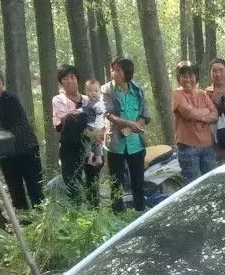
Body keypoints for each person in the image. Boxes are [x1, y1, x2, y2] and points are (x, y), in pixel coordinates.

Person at [0, 65, 44, 211]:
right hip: (7, 153)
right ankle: (24, 223)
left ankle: (42, 223)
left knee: (35, 190)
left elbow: (12, 124)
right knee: (16, 192)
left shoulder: (9, 99)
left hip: (26, 150)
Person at [104, 56, 151, 212]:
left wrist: (134, 126)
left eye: (118, 70)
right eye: (113, 70)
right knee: (116, 183)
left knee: (138, 181)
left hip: (136, 143)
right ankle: (117, 215)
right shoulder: (107, 90)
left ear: (127, 73)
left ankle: (140, 212)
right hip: (115, 144)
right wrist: (127, 124)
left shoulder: (138, 90)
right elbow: (108, 114)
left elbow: (145, 115)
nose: (114, 73)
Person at [52, 65, 96, 201]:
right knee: (72, 183)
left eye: (72, 77)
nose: (69, 81)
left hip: (89, 143)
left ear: (77, 80)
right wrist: (81, 115)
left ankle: (95, 210)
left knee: (92, 181)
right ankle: (75, 214)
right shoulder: (59, 99)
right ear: (61, 83)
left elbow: (96, 121)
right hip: (69, 146)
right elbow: (65, 120)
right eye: (65, 79)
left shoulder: (87, 99)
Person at [172, 62, 219, 183]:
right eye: (184, 76)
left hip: (208, 146)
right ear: (179, 78)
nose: (188, 79)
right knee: (192, 185)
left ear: (196, 77)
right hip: (188, 147)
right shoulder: (177, 94)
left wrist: (199, 115)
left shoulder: (202, 94)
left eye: (191, 76)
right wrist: (206, 111)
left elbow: (215, 115)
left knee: (212, 182)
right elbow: (188, 113)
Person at [82, 77, 107, 202]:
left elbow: (100, 115)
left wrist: (98, 130)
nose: (93, 93)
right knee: (90, 145)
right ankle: (92, 156)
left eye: (96, 91)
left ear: (100, 92)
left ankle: (98, 157)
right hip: (89, 128)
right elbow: (83, 111)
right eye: (90, 91)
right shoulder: (87, 103)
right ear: (86, 92)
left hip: (97, 127)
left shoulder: (99, 104)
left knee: (97, 144)